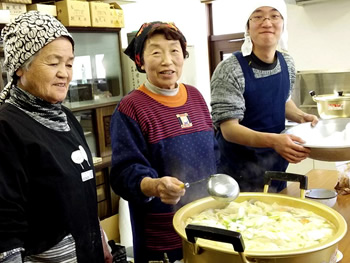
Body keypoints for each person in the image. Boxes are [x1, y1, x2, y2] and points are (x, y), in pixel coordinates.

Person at [0, 11, 112, 263]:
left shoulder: (65, 117)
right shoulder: (7, 128)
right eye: (53, 63)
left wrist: (100, 237)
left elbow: (80, 193)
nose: (65, 73)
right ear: (20, 66)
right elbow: (5, 226)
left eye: (69, 63)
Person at [109, 21, 219, 262]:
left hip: (208, 222)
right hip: (161, 233)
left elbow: (214, 153)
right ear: (140, 60)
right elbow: (123, 174)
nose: (167, 60)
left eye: (174, 51)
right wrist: (155, 186)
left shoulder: (196, 97)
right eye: (156, 52)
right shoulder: (131, 108)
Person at [210, 0, 318, 192]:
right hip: (237, 175)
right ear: (247, 26)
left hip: (276, 169)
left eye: (274, 16)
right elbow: (229, 129)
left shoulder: (287, 63)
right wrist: (275, 141)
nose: (267, 23)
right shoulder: (230, 69)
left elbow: (282, 101)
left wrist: (302, 117)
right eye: (258, 16)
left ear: (283, 24)